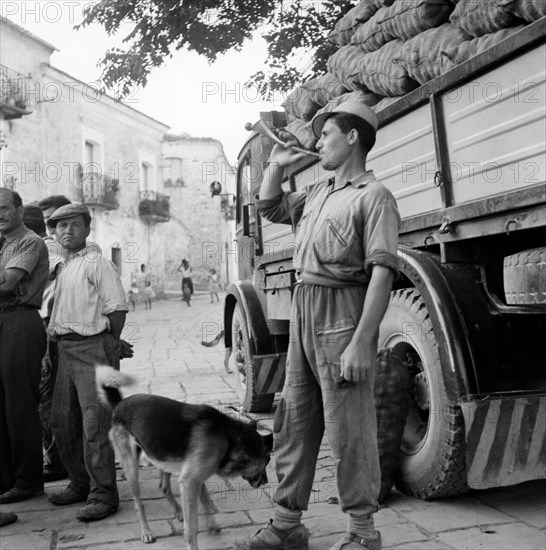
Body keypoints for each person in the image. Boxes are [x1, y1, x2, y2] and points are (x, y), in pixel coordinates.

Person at [237, 100, 400, 550]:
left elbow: (382, 272)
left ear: (352, 138)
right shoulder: (320, 192)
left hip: (342, 310)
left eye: (326, 134)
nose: (318, 143)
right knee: (294, 417)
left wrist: (363, 341)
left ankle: (363, 534)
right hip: (304, 307)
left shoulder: (374, 197)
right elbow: (269, 208)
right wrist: (275, 163)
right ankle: (287, 524)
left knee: (350, 426)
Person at [45, 204, 129, 522]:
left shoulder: (98, 264)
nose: (67, 230)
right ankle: (80, 483)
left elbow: (117, 309)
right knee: (61, 422)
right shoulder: (62, 268)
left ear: (87, 229)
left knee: (95, 424)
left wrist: (109, 344)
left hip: (92, 349)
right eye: (60, 226)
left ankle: (104, 494)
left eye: (74, 225)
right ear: (54, 232)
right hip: (64, 350)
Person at [0, 190, 49, 504]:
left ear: (19, 209)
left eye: (4, 208)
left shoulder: (30, 242)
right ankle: (7, 479)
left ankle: (30, 480)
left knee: (19, 406)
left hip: (20, 321)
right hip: (3, 320)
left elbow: (6, 286)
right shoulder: (3, 244)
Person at [25, 203, 69, 483]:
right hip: (46, 324)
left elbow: (62, 272)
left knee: (45, 396)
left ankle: (57, 461)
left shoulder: (45, 247)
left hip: (48, 326)